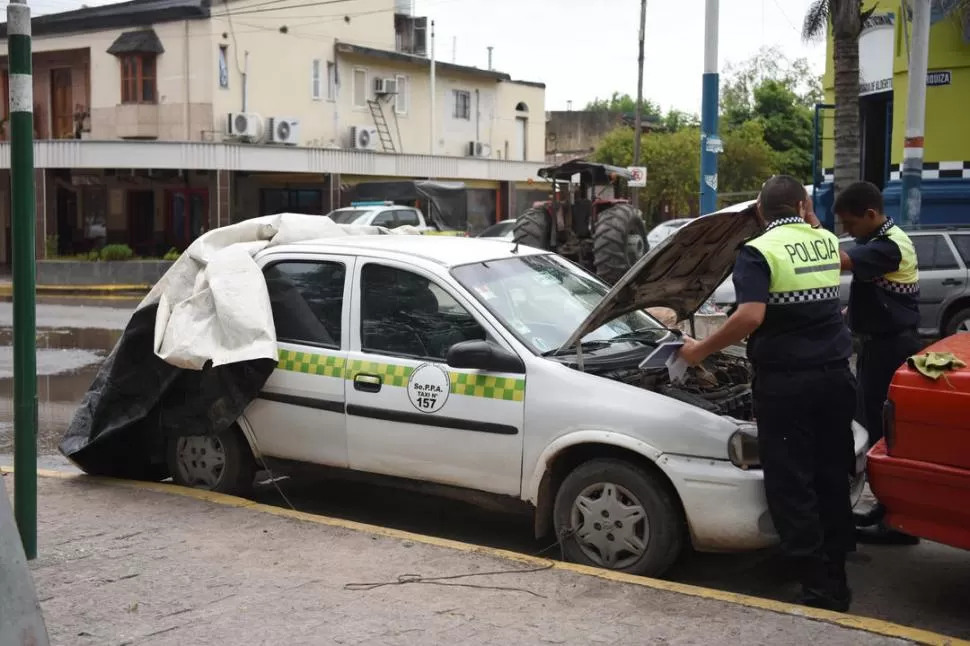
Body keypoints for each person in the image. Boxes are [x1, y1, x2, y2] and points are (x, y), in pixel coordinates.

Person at [678, 175, 857, 612]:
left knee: (791, 481)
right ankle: (838, 572)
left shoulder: (757, 251)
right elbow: (836, 262)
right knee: (831, 473)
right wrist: (812, 218)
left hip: (788, 383)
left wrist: (698, 349)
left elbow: (751, 315)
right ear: (801, 206)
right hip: (836, 376)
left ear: (759, 212)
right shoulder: (825, 241)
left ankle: (818, 589)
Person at [834, 180, 922, 545]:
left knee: (884, 433)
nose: (847, 232)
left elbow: (841, 259)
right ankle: (887, 510)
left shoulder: (888, 246)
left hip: (889, 349)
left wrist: (806, 230)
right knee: (876, 428)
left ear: (871, 214)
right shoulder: (880, 239)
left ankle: (896, 521)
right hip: (881, 345)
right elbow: (871, 288)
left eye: (850, 225)